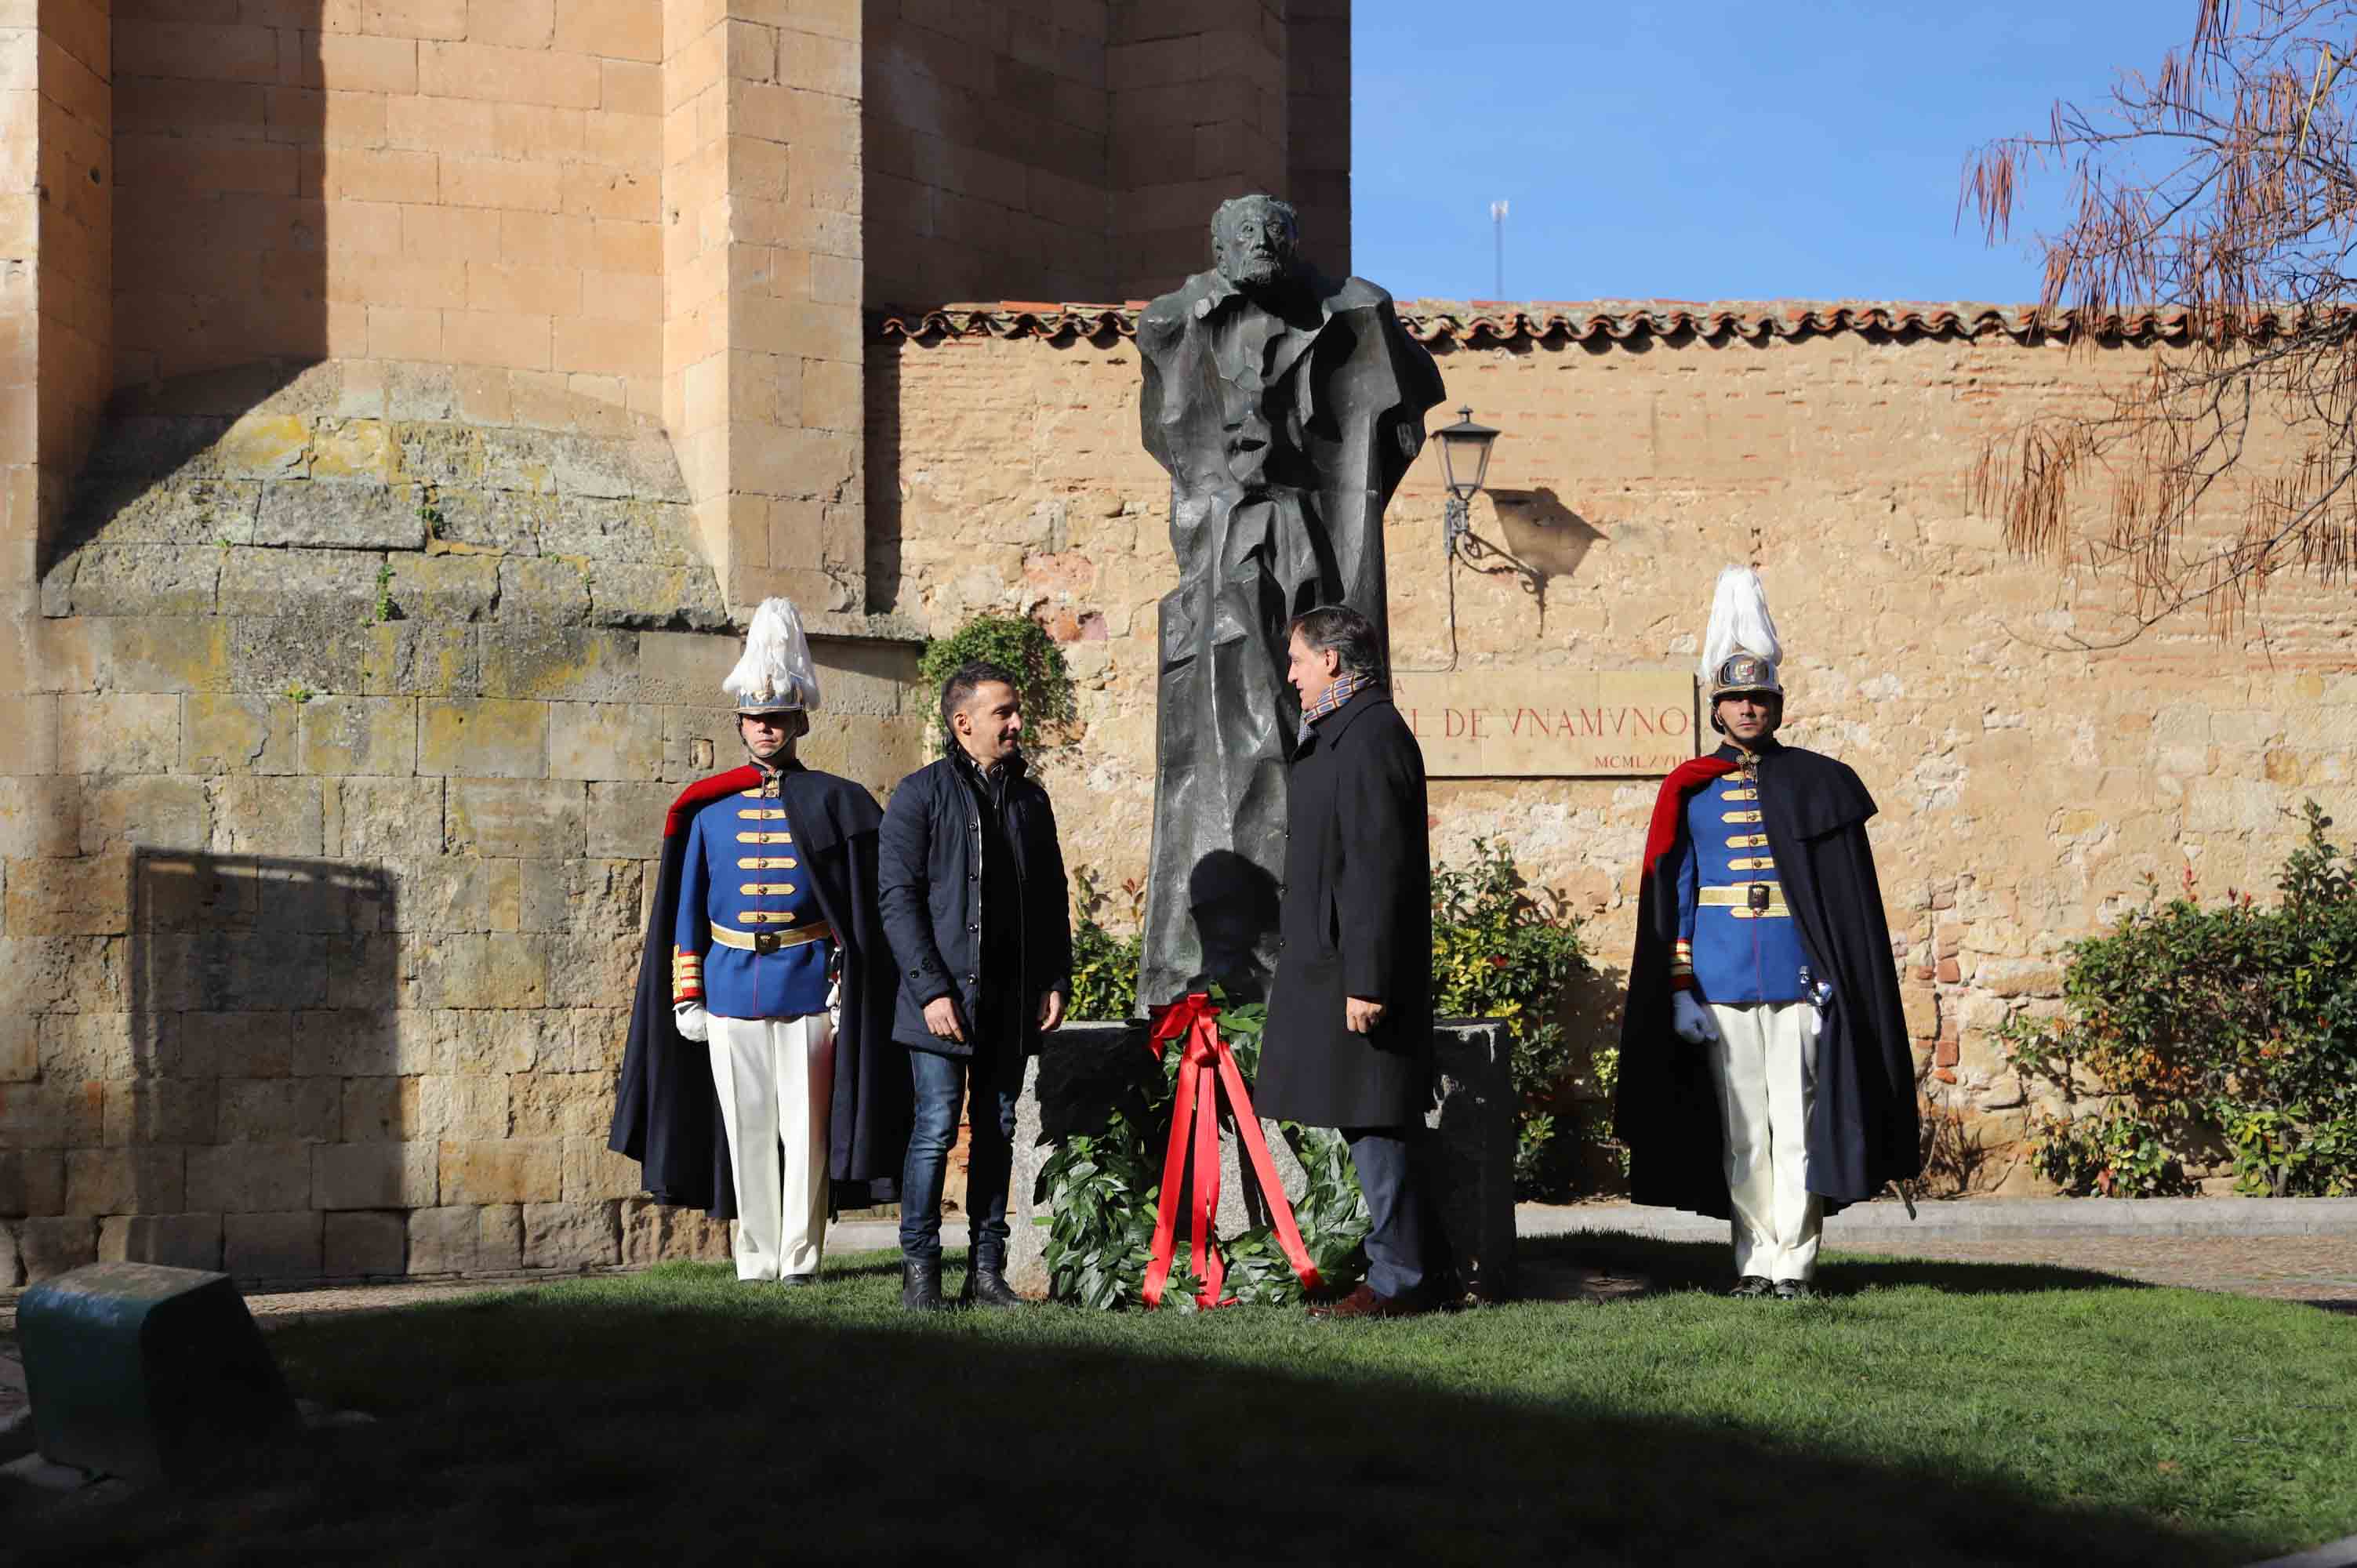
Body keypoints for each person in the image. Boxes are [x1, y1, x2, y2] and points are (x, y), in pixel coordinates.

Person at [1134, 192, 1445, 1011]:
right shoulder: (1183, 319)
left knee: (1291, 718)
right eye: (1243, 235)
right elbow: (1170, 421)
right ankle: (1224, 946)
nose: (1260, 243)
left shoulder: (1345, 312)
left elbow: (1397, 419)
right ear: (1218, 247)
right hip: (1227, 549)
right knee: (1228, 725)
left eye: (1275, 233)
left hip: (1299, 532)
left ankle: (1296, 940)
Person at [1614, 567, 1920, 1298]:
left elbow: (1836, 903)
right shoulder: (1691, 786)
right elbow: (1678, 894)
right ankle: (1753, 1258)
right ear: (1716, 709)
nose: (1748, 709)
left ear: (1777, 705)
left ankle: (1796, 1262)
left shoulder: (1819, 782)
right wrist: (1682, 986)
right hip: (1720, 975)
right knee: (1744, 1128)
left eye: (1759, 698)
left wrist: (1826, 979)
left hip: (1794, 974)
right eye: (1735, 699)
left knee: (1798, 1122)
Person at [608, 597, 907, 1283]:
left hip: (806, 984)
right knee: (745, 1131)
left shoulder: (837, 801)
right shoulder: (709, 812)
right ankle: (756, 1257)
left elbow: (853, 910)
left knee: (805, 1133)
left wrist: (842, 985)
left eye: (776, 720)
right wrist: (688, 994)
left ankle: (800, 1258)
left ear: (798, 722)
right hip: (729, 984)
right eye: (755, 720)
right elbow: (684, 913)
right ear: (740, 724)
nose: (766, 731)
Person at [1253, 604, 1440, 1319]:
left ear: (1332, 660)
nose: (1292, 675)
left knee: (1377, 1121)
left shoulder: (1367, 738)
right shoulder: (1344, 733)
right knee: (1366, 1118)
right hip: (1332, 964)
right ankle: (1407, 1267)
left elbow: (1376, 871)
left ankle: (1400, 1280)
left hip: (1353, 973)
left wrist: (1367, 979)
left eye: (1298, 659)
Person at [878, 661, 1073, 1311]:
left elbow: (1051, 898)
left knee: (997, 1128)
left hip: (1008, 1002)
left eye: (1015, 712)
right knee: (935, 1128)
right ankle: (921, 1275)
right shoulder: (918, 795)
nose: (1017, 723)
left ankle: (986, 1272)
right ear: (963, 723)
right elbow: (897, 902)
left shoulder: (1030, 799)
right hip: (940, 1001)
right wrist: (932, 991)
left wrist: (1053, 977)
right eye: (1003, 713)